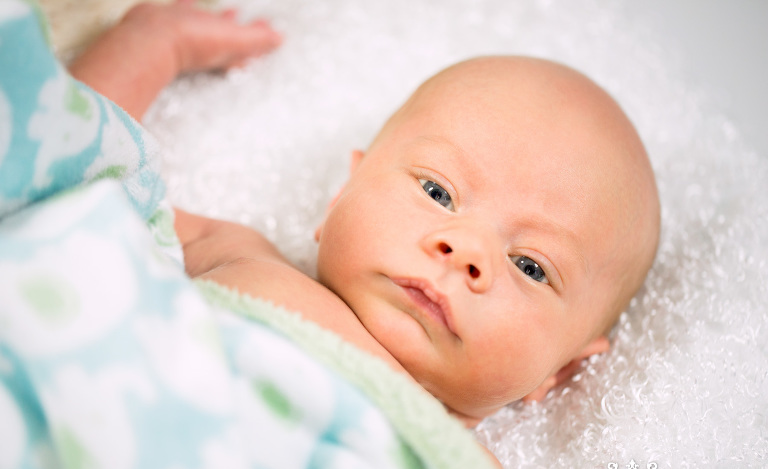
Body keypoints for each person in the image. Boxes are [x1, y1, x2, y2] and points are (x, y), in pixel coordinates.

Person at [70, 0, 660, 428]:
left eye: (531, 267)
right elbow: (76, 173)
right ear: (341, 195)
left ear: (557, 374)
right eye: (438, 191)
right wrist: (152, 44)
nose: (468, 251)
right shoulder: (238, 258)